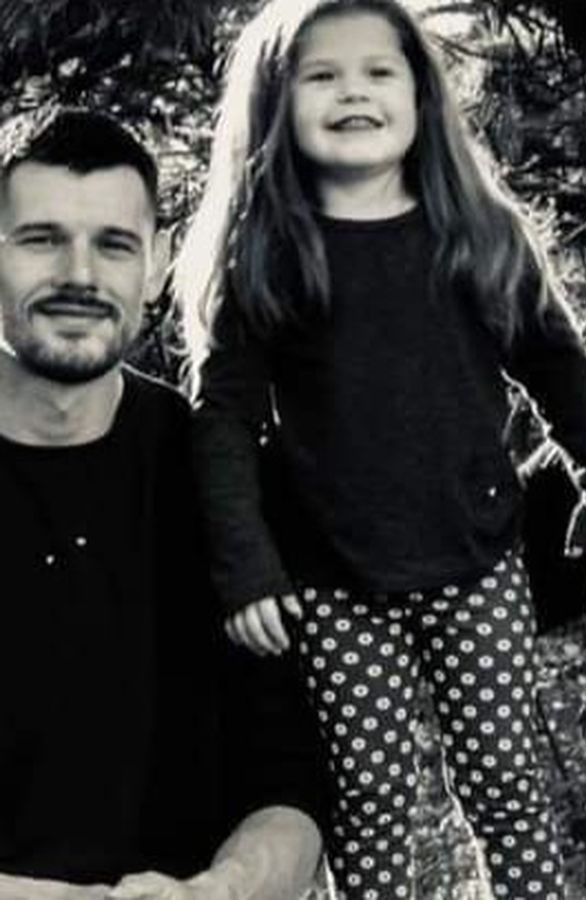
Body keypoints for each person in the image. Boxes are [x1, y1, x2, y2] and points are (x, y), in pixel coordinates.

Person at [173, 0, 586, 897]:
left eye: (378, 72)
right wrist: (247, 567)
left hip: (477, 563)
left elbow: (560, 370)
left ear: (421, 95)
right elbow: (223, 422)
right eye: (322, 75)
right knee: (369, 801)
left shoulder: (476, 234)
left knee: (506, 782)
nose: (354, 91)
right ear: (275, 101)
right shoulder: (268, 253)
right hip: (333, 579)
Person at [0, 109, 325, 899]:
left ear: (157, 264)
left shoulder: (219, 479)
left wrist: (220, 890)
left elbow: (291, 790)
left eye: (114, 244)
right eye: (41, 240)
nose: (79, 276)